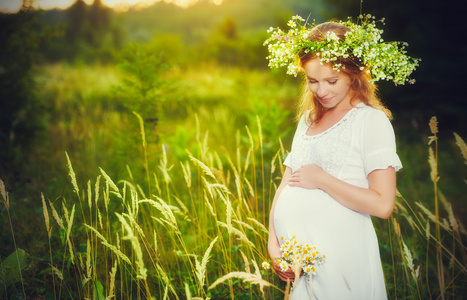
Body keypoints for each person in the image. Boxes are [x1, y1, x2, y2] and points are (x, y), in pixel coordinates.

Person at [264, 15, 420, 299]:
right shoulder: (310, 119)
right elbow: (287, 182)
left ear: (354, 73)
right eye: (312, 81)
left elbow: (383, 205)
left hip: (342, 259)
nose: (321, 91)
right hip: (303, 265)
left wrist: (322, 180)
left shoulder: (370, 121)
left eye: (331, 81)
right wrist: (273, 243)